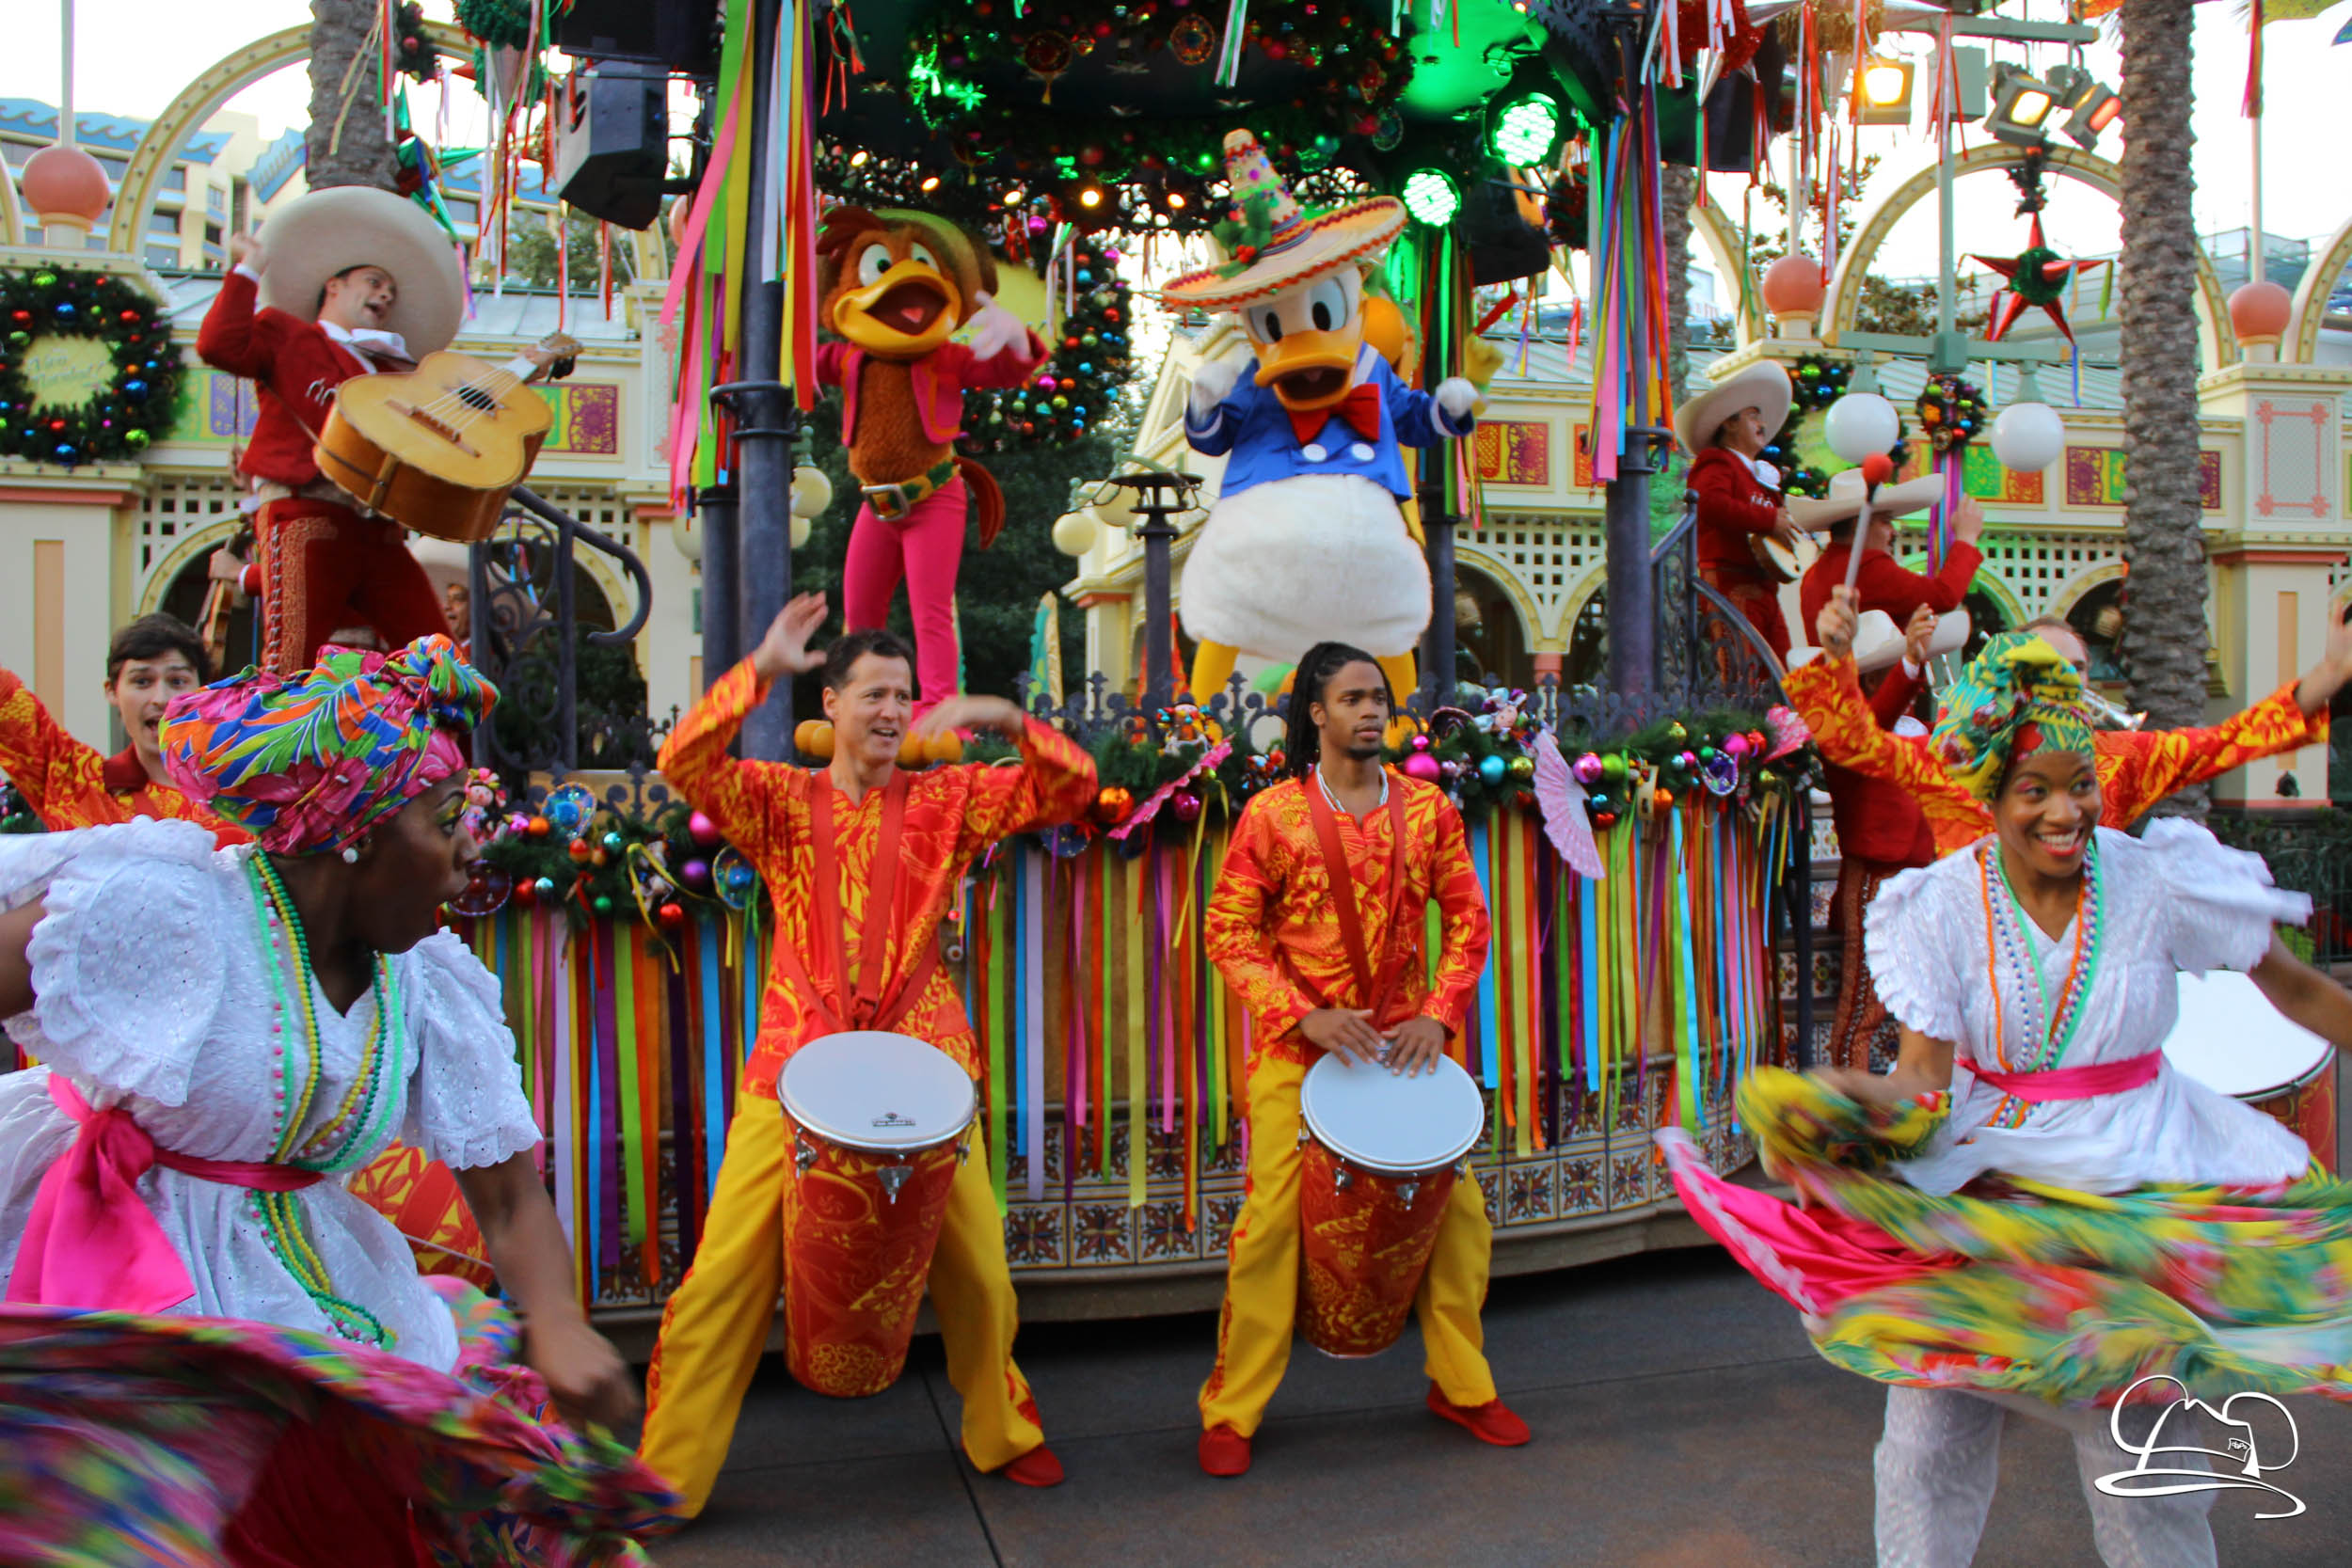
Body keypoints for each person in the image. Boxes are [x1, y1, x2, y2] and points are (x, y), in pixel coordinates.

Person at [1661, 629, 2352, 1568]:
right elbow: (1921, 1082)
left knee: (2141, 1453)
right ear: (1988, 795)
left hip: (2136, 1181)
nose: (2066, 812)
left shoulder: (2156, 878)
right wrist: (1837, 1101)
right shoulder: (1941, 902)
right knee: (1927, 1436)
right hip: (1986, 1179)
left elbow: (2296, 988)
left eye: (2081, 786)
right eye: (2035, 790)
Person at [0, 635, 674, 1562]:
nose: (471, 850)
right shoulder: (179, 909)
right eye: (446, 818)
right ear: (356, 833)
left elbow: (509, 1194)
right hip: (136, 1299)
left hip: (317, 1300)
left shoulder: (427, 980)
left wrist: (558, 1324)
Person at [639, 594, 1098, 1513]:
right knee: (722, 1279)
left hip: (927, 1069)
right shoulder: (776, 800)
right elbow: (681, 759)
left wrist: (1000, 716)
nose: (892, 711)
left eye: (904, 695)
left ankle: (1002, 1429)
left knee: (980, 1272)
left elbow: (1072, 787)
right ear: (832, 704)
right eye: (874, 694)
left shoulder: (949, 799)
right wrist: (762, 666)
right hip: (793, 1070)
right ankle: (663, 1479)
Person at [1197, 641, 1527, 1478]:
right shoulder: (1272, 814)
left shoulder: (1428, 809)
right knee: (1270, 1224)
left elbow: (1470, 920)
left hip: (1401, 1049)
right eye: (1352, 698)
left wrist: (1439, 1015)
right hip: (1297, 1054)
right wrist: (1302, 1015)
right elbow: (1227, 932)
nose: (1372, 709)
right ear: (1317, 713)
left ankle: (1461, 1383)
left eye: (1378, 696)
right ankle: (1232, 1409)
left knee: (1463, 1219)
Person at [1794, 588, 2352, 856]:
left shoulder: (2123, 759)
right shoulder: (1956, 761)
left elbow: (2226, 741)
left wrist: (2330, 673)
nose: (2063, 682)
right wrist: (1837, 656)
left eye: (2076, 669)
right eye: (2045, 667)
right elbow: (1853, 744)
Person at [196, 186, 465, 673]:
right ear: (333, 286)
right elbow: (218, 346)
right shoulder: (288, 334)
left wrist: (517, 377)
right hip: (307, 512)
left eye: (391, 291)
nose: (385, 294)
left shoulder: (394, 373)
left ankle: (448, 730)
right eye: (374, 281)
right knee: (289, 667)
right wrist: (249, 269)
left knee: (444, 665)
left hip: (379, 529)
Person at [1794, 477, 1983, 1071]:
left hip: (1921, 872)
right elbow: (1867, 733)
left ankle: (1909, 1094)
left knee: (1921, 999)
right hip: (1877, 877)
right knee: (1864, 1004)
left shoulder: (1914, 726)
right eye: (1886, 521)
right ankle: (1850, 1099)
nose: (1893, 532)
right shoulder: (1857, 733)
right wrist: (1908, 664)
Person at [0, 613, 240, 846]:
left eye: (177, 681)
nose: (161, 698)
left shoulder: (243, 790)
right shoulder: (74, 782)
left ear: (204, 691)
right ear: (111, 691)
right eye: (142, 681)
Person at [1681, 360, 1810, 662]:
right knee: (1743, 670)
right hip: (1731, 581)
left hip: (1763, 585)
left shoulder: (1759, 476)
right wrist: (1770, 519)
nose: (1761, 425)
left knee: (1780, 670)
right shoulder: (1717, 462)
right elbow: (1710, 504)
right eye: (1753, 416)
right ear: (1729, 423)